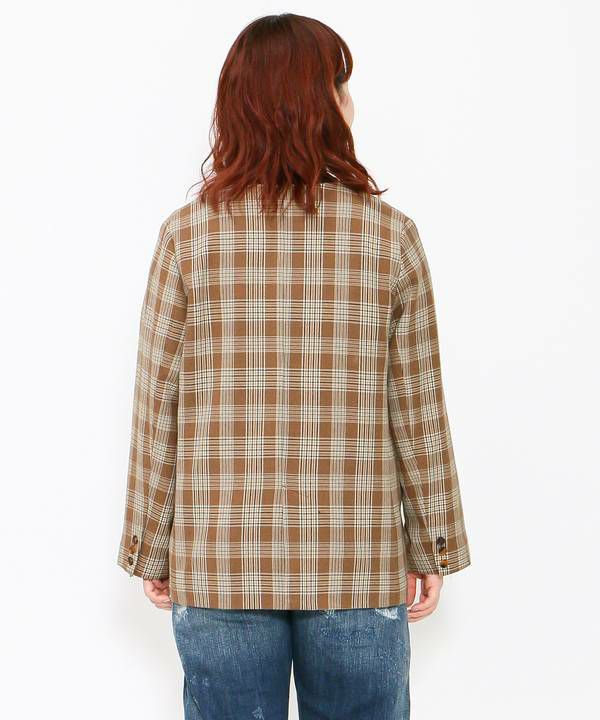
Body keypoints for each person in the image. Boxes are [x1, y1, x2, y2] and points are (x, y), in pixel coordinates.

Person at [116, 12, 471, 720]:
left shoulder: (186, 238)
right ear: (320, 104)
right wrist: (431, 542)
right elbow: (418, 411)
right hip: (356, 563)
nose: (352, 103)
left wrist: (150, 544)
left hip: (219, 561)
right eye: (342, 86)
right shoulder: (389, 237)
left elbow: (158, 403)